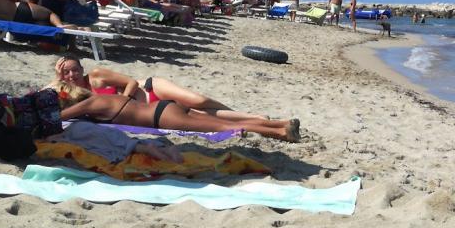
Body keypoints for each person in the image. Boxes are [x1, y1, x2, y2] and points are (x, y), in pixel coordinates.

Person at [52, 57, 283, 126]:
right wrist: (57, 74)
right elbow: (48, 90)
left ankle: (245, 115)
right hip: (151, 109)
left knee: (200, 101)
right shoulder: (74, 94)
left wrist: (121, 101)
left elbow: (131, 81)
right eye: (67, 73)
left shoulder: (96, 75)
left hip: (150, 89)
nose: (72, 75)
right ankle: (256, 119)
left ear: (82, 68)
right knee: (201, 115)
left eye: (75, 70)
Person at [60, 94, 299, 142]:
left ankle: (280, 132)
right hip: (164, 106)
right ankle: (280, 123)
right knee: (225, 123)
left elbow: (61, 117)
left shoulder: (91, 104)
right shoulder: (102, 98)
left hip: (161, 117)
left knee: (225, 125)